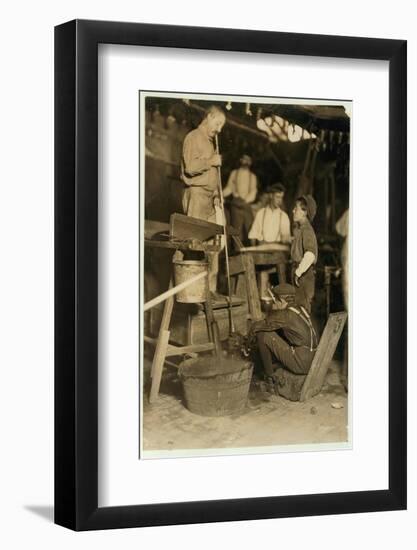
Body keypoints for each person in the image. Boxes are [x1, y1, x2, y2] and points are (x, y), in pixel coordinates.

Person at [181, 106, 226, 295]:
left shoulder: (209, 142)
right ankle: (194, 295)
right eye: (218, 124)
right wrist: (211, 161)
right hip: (197, 196)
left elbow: (212, 176)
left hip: (209, 199)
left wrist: (216, 196)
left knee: (213, 247)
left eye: (221, 126)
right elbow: (190, 167)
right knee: (195, 246)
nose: (219, 129)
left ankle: (210, 293)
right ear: (209, 117)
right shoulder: (193, 137)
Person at [249, 283, 318, 389]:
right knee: (278, 331)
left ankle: (270, 378)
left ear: (281, 301)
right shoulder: (302, 309)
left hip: (301, 363)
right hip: (314, 359)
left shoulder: (284, 314)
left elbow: (257, 327)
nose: (273, 304)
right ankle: (274, 365)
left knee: (262, 334)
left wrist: (247, 338)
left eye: (274, 301)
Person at [248, 183, 291, 297]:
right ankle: (262, 299)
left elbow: (286, 239)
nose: (280, 201)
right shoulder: (261, 214)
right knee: (262, 272)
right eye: (277, 197)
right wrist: (254, 251)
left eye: (281, 198)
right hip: (262, 253)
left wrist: (287, 239)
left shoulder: (284, 216)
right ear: (271, 196)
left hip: (277, 253)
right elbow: (253, 234)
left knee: (281, 266)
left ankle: (283, 298)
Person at [291, 195, 318, 313]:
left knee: (303, 310)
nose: (293, 210)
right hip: (301, 274)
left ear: (304, 212)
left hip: (304, 276)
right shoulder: (301, 229)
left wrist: (298, 272)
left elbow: (310, 254)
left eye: (296, 208)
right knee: (298, 310)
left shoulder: (307, 230)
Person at [223, 154, 257, 244]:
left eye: (248, 160)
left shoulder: (252, 176)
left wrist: (246, 201)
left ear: (250, 162)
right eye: (244, 159)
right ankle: (237, 252)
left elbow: (253, 191)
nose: (246, 162)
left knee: (250, 229)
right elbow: (229, 188)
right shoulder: (234, 173)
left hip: (246, 204)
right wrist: (221, 194)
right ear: (241, 160)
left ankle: (249, 251)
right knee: (236, 231)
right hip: (235, 205)